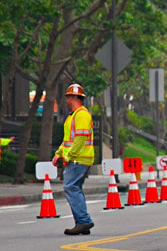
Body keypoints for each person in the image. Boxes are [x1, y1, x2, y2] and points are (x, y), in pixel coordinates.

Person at [52, 83, 95, 235]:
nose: (66, 100)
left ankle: (83, 221)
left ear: (72, 97)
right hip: (78, 158)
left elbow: (80, 139)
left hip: (79, 159)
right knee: (75, 187)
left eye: (68, 97)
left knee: (71, 187)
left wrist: (68, 156)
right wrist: (59, 153)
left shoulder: (82, 115)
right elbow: (68, 140)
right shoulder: (74, 116)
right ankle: (82, 222)